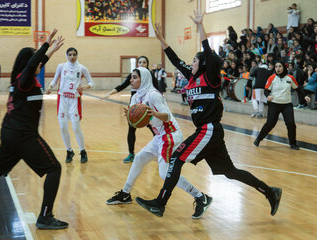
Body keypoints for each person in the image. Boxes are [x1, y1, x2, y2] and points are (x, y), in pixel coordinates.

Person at [135, 11, 283, 218]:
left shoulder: (211, 76)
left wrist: (200, 26)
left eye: (195, 62)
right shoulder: (192, 76)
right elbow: (176, 61)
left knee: (176, 157)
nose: (191, 64)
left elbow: (208, 53)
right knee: (230, 171)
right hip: (209, 132)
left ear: (202, 64)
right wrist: (161, 40)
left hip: (209, 129)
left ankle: (160, 203)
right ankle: (270, 191)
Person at [0, 29, 68, 230]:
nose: (40, 64)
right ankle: (45, 217)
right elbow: (34, 63)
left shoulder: (20, 79)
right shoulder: (25, 80)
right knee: (54, 168)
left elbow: (38, 63)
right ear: (30, 63)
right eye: (37, 61)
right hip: (23, 135)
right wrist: (45, 45)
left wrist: (51, 51)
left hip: (9, 132)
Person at [106, 67, 211, 219]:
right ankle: (125, 194)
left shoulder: (154, 95)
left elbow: (167, 117)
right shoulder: (136, 98)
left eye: (135, 77)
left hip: (170, 135)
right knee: (140, 158)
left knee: (164, 173)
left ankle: (200, 197)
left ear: (144, 79)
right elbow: (137, 123)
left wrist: (154, 113)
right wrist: (130, 117)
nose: (131, 80)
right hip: (159, 136)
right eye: (131, 77)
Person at [100, 56, 158, 163]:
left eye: (144, 62)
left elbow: (158, 90)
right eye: (140, 62)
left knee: (155, 129)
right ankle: (131, 154)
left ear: (147, 64)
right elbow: (122, 86)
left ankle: (160, 150)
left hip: (147, 107)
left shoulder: (150, 76)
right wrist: (109, 93)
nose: (142, 64)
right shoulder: (134, 76)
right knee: (131, 129)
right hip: (135, 106)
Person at [46, 47, 93, 163]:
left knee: (76, 127)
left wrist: (85, 87)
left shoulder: (82, 68)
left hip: (74, 100)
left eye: (74, 55)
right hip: (62, 99)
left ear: (77, 55)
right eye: (70, 55)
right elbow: (55, 80)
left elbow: (91, 82)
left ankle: (83, 151)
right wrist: (50, 87)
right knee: (62, 127)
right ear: (66, 55)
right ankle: (69, 151)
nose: (72, 57)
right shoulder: (61, 66)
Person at [254, 61, 311, 150]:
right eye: (276, 67)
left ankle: (293, 144)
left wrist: (305, 96)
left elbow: (298, 89)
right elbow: (266, 90)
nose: (277, 68)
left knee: (291, 124)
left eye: (280, 66)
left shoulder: (290, 78)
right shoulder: (271, 78)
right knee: (270, 124)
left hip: (287, 105)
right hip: (274, 105)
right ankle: (258, 138)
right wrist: (268, 96)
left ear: (284, 67)